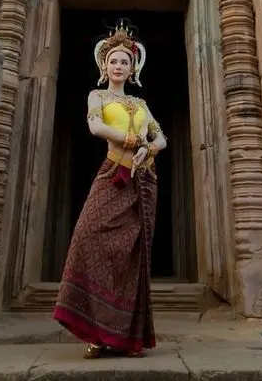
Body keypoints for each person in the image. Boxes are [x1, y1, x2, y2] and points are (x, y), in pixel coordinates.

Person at [52, 20, 168, 359]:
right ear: (104, 66)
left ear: (133, 69)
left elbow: (160, 135)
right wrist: (133, 141)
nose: (119, 66)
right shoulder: (97, 97)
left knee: (133, 255)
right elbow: (96, 127)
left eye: (125, 62)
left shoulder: (141, 104)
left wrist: (151, 147)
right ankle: (95, 329)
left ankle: (127, 337)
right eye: (113, 61)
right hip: (114, 172)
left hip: (143, 179)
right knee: (89, 235)